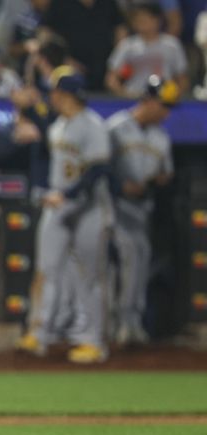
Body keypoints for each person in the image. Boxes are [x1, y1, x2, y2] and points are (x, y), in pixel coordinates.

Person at [18, 67, 113, 363]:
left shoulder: (93, 125)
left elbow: (98, 170)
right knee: (47, 270)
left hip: (89, 208)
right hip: (59, 205)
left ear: (64, 94)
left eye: (55, 92)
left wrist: (68, 195)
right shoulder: (59, 125)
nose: (52, 97)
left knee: (89, 274)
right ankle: (40, 333)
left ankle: (92, 341)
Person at [106, 75, 177, 345]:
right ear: (147, 101)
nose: (167, 112)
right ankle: (119, 324)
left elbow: (166, 174)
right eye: (163, 105)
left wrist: (158, 182)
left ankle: (133, 323)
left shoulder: (161, 137)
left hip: (143, 210)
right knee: (126, 263)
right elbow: (100, 168)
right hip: (116, 207)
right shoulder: (115, 128)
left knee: (140, 263)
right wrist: (120, 186)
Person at [105, 1, 188, 97]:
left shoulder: (172, 44)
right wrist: (125, 95)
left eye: (147, 19)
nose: (143, 23)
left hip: (164, 99)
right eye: (139, 19)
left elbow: (182, 79)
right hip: (135, 98)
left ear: (158, 20)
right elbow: (111, 79)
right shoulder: (127, 45)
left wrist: (174, 96)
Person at [41, 0, 126, 90]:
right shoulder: (60, 3)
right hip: (71, 71)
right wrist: (62, 59)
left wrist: (117, 61)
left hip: (107, 69)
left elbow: (120, 29)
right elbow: (45, 33)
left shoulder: (108, 2)